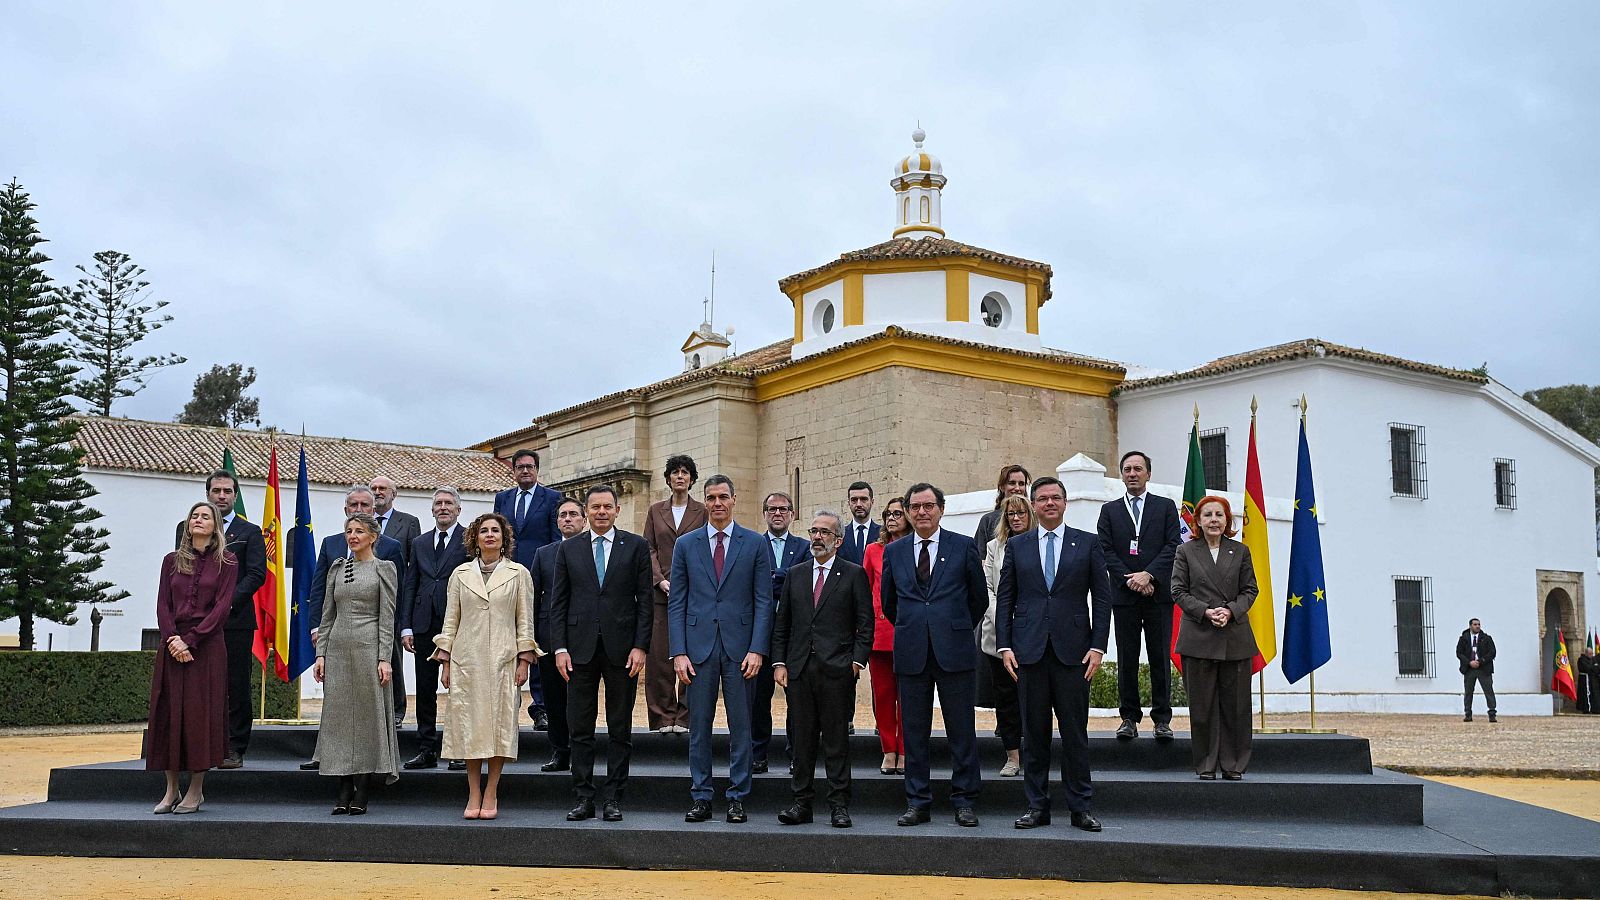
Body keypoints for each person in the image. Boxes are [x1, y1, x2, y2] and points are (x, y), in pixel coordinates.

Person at [996, 476, 1112, 832]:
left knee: (1075, 733)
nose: (1049, 503)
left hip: (1074, 654)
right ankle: (1037, 806)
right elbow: (1006, 598)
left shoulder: (1088, 543)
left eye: (1055, 498)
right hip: (1028, 652)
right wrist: (1004, 645)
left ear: (1065, 503)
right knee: (1035, 734)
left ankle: (1080, 807)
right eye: (1042, 498)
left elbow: (1102, 597)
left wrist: (1098, 646)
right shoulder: (1018, 546)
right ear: (1033, 503)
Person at [669, 474, 774, 824]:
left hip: (741, 650)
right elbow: (677, 602)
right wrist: (678, 651)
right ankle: (700, 795)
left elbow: (763, 600)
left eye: (723, 497)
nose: (717, 503)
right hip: (697, 650)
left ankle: (737, 796)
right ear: (704, 500)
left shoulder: (755, 543)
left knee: (741, 726)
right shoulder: (686, 544)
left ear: (734, 500)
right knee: (698, 726)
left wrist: (758, 649)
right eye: (711, 497)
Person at [881, 482, 986, 828]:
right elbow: (890, 604)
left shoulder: (963, 546)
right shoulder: (894, 552)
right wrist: (919, 626)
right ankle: (917, 801)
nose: (921, 512)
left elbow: (978, 600)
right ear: (908, 512)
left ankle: (964, 801)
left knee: (961, 730)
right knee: (914, 731)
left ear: (941, 509)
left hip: (954, 651)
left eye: (928, 506)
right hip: (912, 652)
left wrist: (950, 626)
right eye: (915, 507)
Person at [551, 485, 653, 822]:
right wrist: (560, 647)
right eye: (594, 507)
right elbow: (558, 602)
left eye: (607, 506)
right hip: (578, 649)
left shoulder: (636, 546)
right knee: (579, 725)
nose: (601, 512)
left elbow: (645, 602)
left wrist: (641, 646)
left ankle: (613, 797)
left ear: (617, 510)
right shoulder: (569, 549)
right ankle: (583, 796)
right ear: (586, 511)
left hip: (622, 648)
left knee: (619, 725)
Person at [432, 512, 539, 820]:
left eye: (495, 531)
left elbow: (525, 620)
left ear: (504, 538)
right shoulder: (460, 574)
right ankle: (473, 791)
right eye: (483, 531)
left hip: (504, 660)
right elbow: (450, 620)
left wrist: (524, 659)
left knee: (499, 726)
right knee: (469, 725)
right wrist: (446, 661)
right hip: (467, 659)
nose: (490, 535)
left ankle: (491, 790)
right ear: (475, 538)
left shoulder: (519, 574)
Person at [772, 510, 873, 828]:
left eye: (825, 532)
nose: (817, 537)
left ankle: (839, 805)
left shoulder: (854, 574)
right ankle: (801, 803)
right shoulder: (796, 573)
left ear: (839, 540)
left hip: (837, 670)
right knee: (801, 741)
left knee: (836, 740)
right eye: (814, 531)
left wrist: (856, 662)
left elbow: (865, 623)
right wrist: (779, 662)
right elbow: (782, 623)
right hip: (799, 670)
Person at [301, 486, 404, 770]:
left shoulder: (391, 550)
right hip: (336, 639)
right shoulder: (331, 545)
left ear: (374, 512)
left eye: (364, 504)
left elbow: (394, 601)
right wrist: (317, 629)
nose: (358, 509)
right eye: (353, 504)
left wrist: (388, 648)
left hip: (370, 641)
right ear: (346, 509)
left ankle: (369, 764)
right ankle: (328, 756)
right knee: (337, 705)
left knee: (367, 706)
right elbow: (319, 589)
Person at [147, 502, 238, 814]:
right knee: (168, 715)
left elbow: (222, 607)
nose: (199, 520)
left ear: (216, 526)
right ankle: (170, 789)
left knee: (201, 717)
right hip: (172, 646)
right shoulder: (171, 561)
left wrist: (192, 640)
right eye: (195, 516)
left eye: (206, 517)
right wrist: (173, 638)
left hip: (207, 647)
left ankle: (195, 791)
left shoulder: (227, 561)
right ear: (187, 524)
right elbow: (162, 603)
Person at [171, 470, 265, 771]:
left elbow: (256, 575)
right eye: (216, 490)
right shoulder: (186, 528)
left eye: (227, 491)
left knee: (236, 686)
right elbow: (181, 567)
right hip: (194, 624)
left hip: (234, 622)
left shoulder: (249, 532)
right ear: (207, 493)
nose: (221, 496)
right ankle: (198, 745)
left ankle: (235, 748)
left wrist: (223, 603)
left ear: (235, 496)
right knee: (197, 685)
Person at [312, 513, 402, 815]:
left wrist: (384, 658)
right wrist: (321, 654)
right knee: (338, 719)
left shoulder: (384, 569)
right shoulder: (337, 568)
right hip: (338, 649)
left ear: (373, 537)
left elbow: (387, 617)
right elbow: (327, 615)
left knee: (367, 718)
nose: (352, 536)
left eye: (359, 531)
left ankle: (363, 788)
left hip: (369, 648)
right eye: (349, 531)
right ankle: (342, 786)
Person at [1171, 495, 1259, 781]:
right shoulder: (1185, 551)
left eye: (1219, 515)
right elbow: (1178, 591)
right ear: (1197, 520)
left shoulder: (1241, 551)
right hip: (1198, 636)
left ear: (1227, 521)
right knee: (1202, 706)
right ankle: (1206, 764)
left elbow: (1250, 590)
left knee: (1236, 706)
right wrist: (1206, 611)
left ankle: (1233, 764)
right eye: (1207, 515)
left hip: (1234, 636)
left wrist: (1230, 611)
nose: (1213, 520)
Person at [1097, 451, 1182, 741]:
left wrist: (1150, 575)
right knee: (1127, 659)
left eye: (1138, 469)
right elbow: (1106, 550)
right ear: (1121, 474)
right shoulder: (1109, 511)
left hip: (1158, 596)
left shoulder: (1165, 507)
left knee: (1160, 658)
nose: (1132, 473)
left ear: (1148, 473)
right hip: (1125, 597)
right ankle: (1129, 719)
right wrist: (1131, 579)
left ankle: (1162, 720)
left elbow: (1173, 545)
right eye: (1127, 469)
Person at [492, 449, 562, 731]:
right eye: (519, 467)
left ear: (537, 470)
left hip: (538, 578)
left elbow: (555, 540)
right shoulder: (503, 498)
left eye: (529, 467)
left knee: (534, 641)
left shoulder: (552, 499)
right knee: (507, 639)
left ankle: (540, 708)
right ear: (513, 470)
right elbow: (497, 534)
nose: (525, 471)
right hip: (506, 575)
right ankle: (507, 705)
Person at [400, 488, 467, 770]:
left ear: (458, 510)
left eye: (448, 503)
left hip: (460, 625)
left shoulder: (469, 540)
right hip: (424, 624)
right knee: (425, 688)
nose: (443, 507)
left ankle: (459, 751)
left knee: (460, 689)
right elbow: (410, 583)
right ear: (432, 510)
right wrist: (406, 626)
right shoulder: (419, 542)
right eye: (438, 503)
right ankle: (427, 748)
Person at [643, 454, 705, 734]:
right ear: (668, 479)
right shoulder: (656, 511)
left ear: (692, 479)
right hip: (661, 594)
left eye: (685, 472)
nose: (680, 476)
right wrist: (659, 580)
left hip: (694, 595)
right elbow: (649, 548)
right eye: (675, 472)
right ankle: (661, 718)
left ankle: (684, 718)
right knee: (659, 658)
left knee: (691, 655)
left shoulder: (702, 512)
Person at [752, 491, 808, 774]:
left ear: (792, 514)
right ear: (764, 514)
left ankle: (795, 754)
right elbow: (756, 584)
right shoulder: (752, 545)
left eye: (783, 509)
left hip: (794, 634)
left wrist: (778, 578)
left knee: (796, 698)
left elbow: (802, 582)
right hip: (760, 633)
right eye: (772, 509)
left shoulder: (804, 546)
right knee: (758, 697)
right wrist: (783, 577)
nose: (778, 513)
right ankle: (758, 753)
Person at [529, 498, 587, 773]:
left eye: (573, 514)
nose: (567, 519)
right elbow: (533, 598)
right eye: (563, 515)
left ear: (583, 520)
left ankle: (581, 752)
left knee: (580, 701)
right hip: (549, 636)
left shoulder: (593, 551)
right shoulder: (544, 553)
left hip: (584, 637)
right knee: (553, 699)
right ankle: (559, 751)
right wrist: (532, 637)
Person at [980, 493, 1030, 778]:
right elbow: (987, 587)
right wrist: (1005, 615)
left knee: (1034, 698)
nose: (1016, 518)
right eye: (1011, 514)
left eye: (1021, 513)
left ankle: (1034, 753)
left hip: (1033, 633)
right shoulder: (993, 547)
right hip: (999, 635)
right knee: (1006, 698)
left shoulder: (1039, 543)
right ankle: (1012, 755)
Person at [371, 475, 422, 727]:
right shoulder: (361, 523)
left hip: (395, 600)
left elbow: (415, 567)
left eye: (383, 489)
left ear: (394, 494)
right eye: (374, 489)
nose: (378, 492)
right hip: (365, 600)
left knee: (393, 657)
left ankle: (397, 710)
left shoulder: (409, 523)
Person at [862, 498, 907, 776]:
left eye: (898, 513)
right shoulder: (873, 550)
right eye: (888, 514)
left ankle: (905, 750)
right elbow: (865, 593)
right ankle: (888, 749)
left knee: (909, 697)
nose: (892, 518)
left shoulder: (915, 548)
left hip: (909, 631)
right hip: (879, 634)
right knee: (883, 695)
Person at [973, 464, 1031, 560]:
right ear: (1002, 487)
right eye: (1012, 483)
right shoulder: (988, 520)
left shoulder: (1034, 518)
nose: (1017, 488)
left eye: (1021, 484)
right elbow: (979, 557)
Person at [1456, 618, 1497, 723]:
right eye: (1475, 624)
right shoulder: (1464, 639)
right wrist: (1469, 662)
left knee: (1488, 691)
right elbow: (1459, 653)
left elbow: (1492, 652)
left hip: (1484, 669)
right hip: (1469, 669)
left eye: (1478, 624)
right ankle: (1468, 714)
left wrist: (1480, 661)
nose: (1477, 626)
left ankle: (1492, 714)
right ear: (1470, 626)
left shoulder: (1486, 638)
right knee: (1468, 692)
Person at [837, 482, 880, 566]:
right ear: (848, 503)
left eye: (864, 499)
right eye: (854, 500)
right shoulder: (840, 535)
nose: (859, 504)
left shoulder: (883, 534)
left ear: (872, 501)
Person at [1579, 644, 1597, 714]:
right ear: (1586, 653)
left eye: (1592, 653)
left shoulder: (1593, 659)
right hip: (1584, 680)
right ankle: (1586, 708)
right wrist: (1593, 667)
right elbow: (1587, 668)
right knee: (1585, 695)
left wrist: (1593, 667)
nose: (1591, 655)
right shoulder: (1581, 660)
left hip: (1591, 679)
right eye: (1590, 653)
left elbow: (1596, 668)